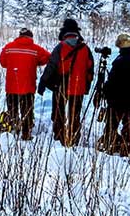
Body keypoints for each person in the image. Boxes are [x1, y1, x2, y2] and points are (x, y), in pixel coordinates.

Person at [40, 19, 94, 147]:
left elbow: (51, 66)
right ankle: (74, 139)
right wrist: (86, 86)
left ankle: (60, 138)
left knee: (58, 113)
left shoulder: (60, 47)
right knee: (75, 115)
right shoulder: (85, 49)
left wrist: (43, 82)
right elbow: (90, 70)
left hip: (61, 86)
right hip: (78, 88)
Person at [97, 33, 130, 156]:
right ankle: (126, 149)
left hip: (116, 101)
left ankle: (110, 146)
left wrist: (105, 92)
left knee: (111, 125)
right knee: (129, 126)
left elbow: (112, 82)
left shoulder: (119, 61)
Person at [0, 28, 50, 140]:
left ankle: (13, 129)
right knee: (27, 110)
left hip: (11, 85)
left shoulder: (8, 47)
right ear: (30, 37)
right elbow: (48, 57)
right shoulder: (36, 49)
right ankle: (26, 133)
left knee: (12, 109)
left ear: (19, 36)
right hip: (28, 86)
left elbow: (2, 62)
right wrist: (36, 62)